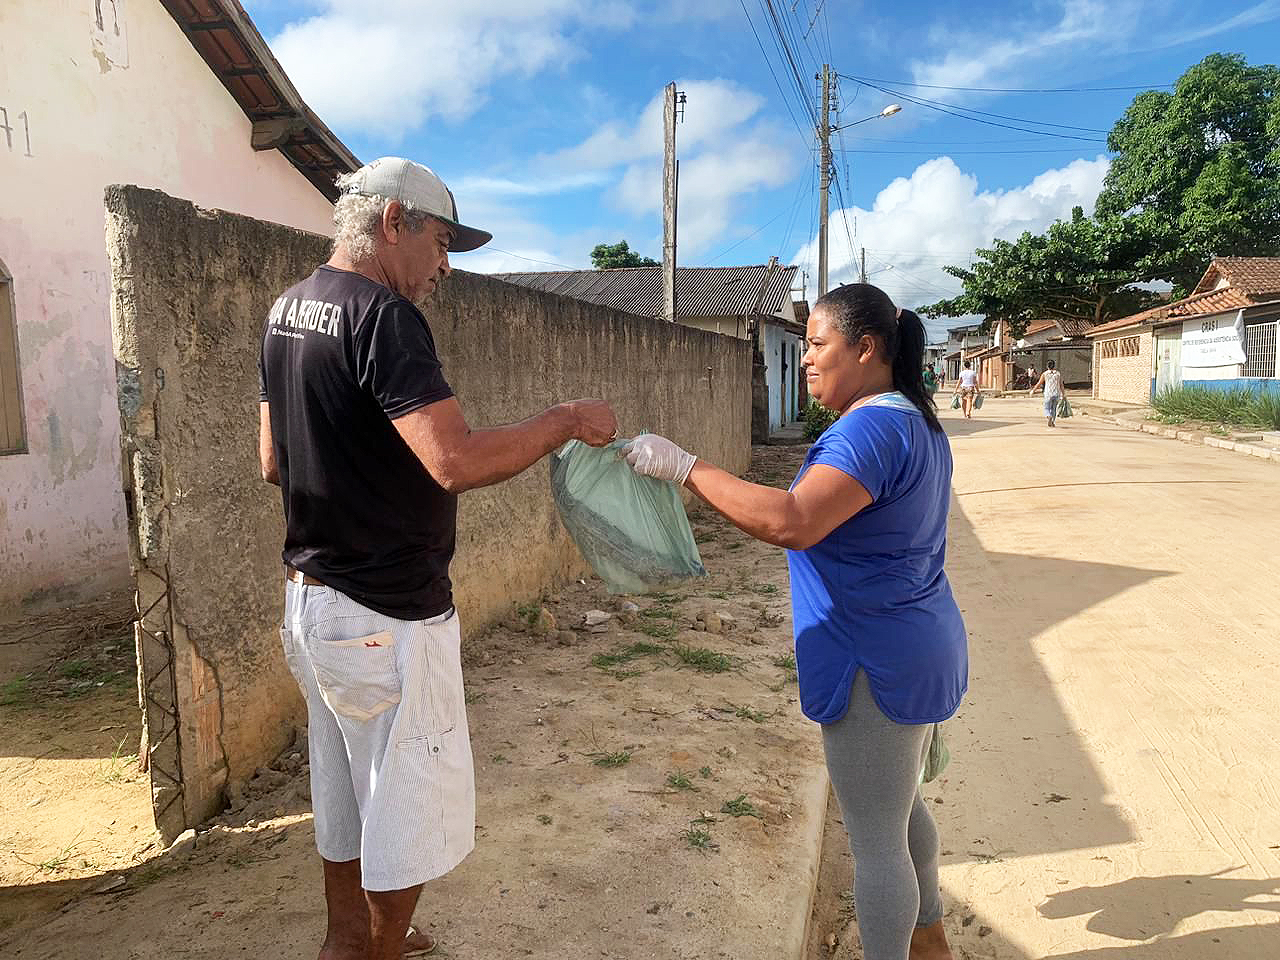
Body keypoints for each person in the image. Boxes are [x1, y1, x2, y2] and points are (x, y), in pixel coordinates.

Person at [258, 157, 617, 960]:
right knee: (407, 809)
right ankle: (377, 950)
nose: (445, 266)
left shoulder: (287, 310)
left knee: (346, 791)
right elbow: (454, 461)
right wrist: (560, 418)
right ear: (394, 223)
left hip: (311, 603)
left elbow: (273, 462)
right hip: (387, 609)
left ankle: (347, 942)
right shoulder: (383, 317)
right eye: (442, 241)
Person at [622, 284, 966, 960]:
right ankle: (931, 944)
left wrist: (686, 468)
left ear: (865, 349)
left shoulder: (870, 428)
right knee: (901, 809)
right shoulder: (914, 420)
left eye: (816, 344)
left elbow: (792, 520)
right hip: (918, 642)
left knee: (873, 837)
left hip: (876, 661)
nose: (804, 359)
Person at [1029, 359, 1065, 428]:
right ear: (1054, 366)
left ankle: (1048, 416)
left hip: (1048, 394)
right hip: (1056, 394)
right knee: (1054, 409)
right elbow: (1061, 385)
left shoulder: (1045, 374)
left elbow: (1039, 383)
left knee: (1046, 408)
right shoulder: (1058, 374)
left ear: (1047, 366)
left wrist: (1033, 391)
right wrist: (1063, 394)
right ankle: (1053, 422)